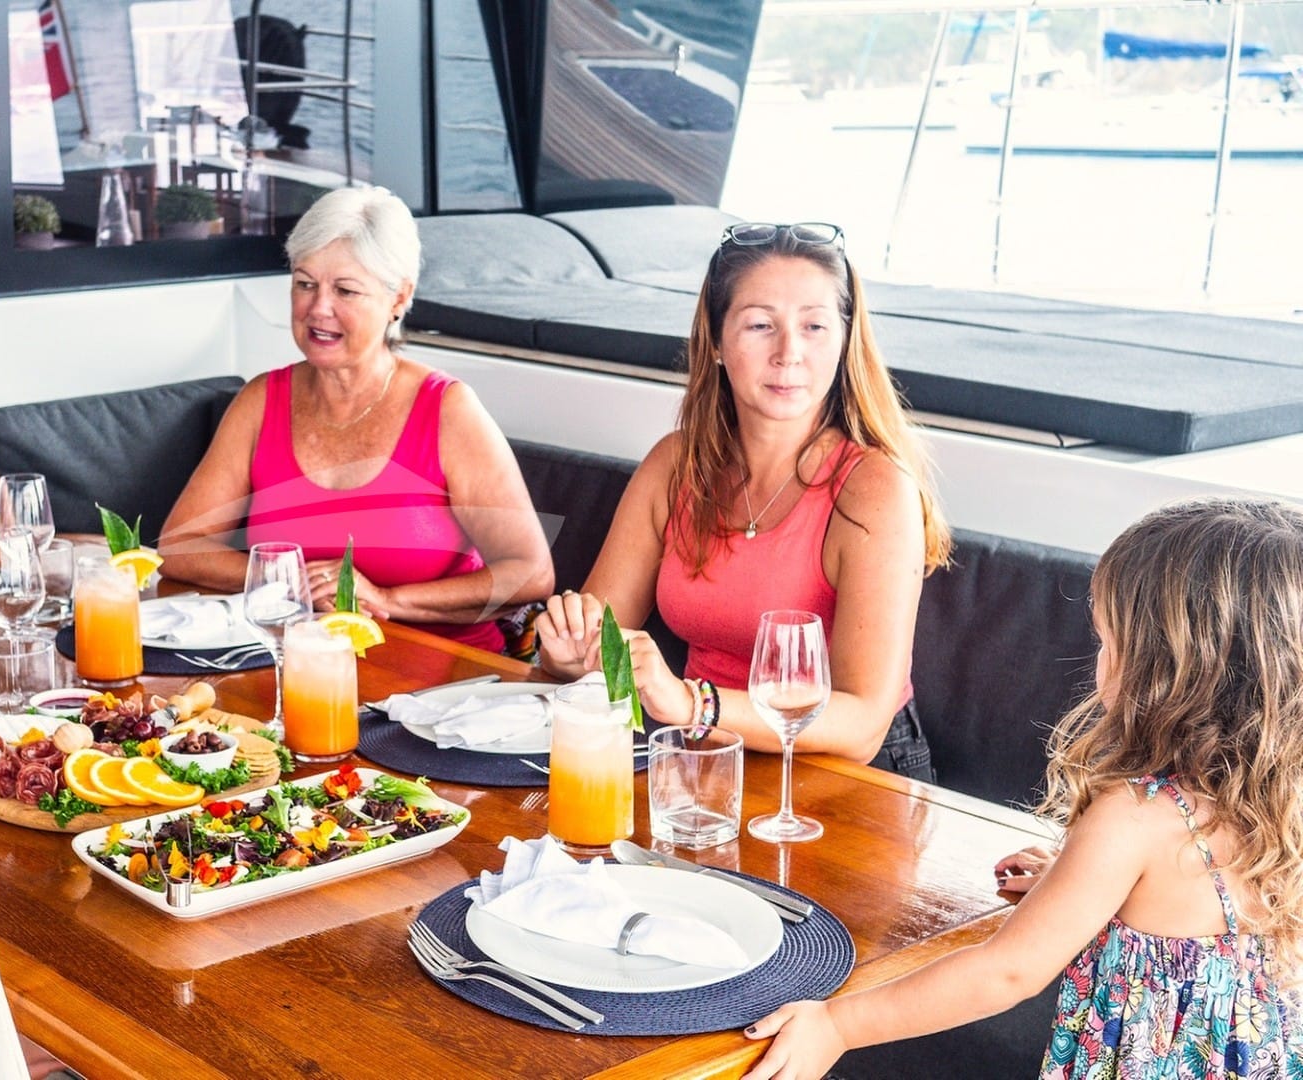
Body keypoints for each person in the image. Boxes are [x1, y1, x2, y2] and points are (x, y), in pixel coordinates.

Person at [740, 496, 1303, 1079]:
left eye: (1108, 641)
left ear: (1171, 668)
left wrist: (837, 1025)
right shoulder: (1283, 797)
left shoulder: (1132, 818)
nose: (1098, 661)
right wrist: (1080, 883)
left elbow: (1006, 971)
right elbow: (1193, 907)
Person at [535, 222, 950, 777]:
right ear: (716, 341)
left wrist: (692, 703)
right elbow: (600, 644)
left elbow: (862, 724)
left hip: (849, 775)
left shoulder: (875, 488)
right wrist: (566, 657)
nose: (789, 353)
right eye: (760, 325)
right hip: (706, 754)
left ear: (845, 340)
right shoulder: (674, 464)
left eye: (814, 326)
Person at [159, 186, 553, 651]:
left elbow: (529, 574)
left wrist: (384, 598)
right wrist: (290, 580)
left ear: (398, 299)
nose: (317, 309)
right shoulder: (262, 400)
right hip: (298, 665)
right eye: (305, 284)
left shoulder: (448, 409)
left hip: (444, 683)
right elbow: (179, 548)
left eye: (345, 290)